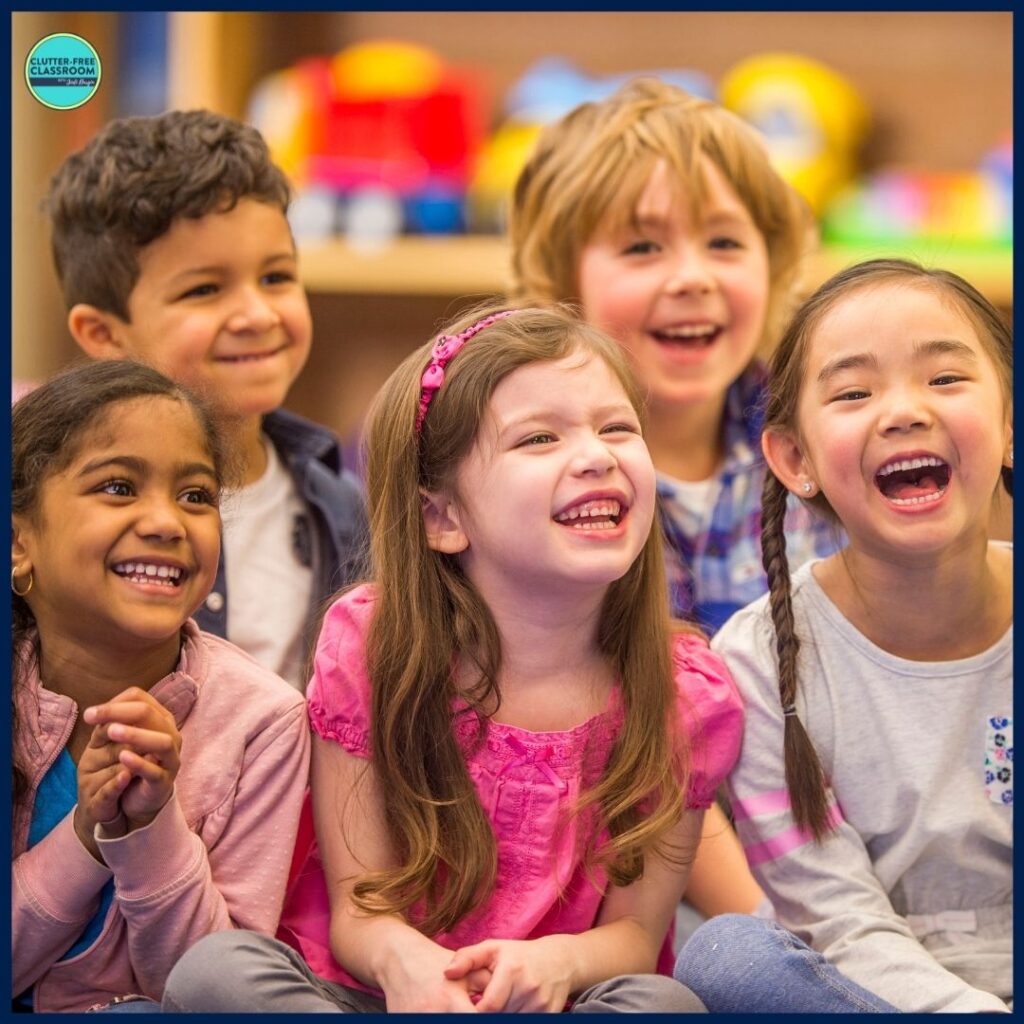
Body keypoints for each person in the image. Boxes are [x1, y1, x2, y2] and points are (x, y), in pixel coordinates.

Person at [161, 305, 744, 1013]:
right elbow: (357, 913)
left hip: (553, 1003)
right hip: (371, 995)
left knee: (664, 1005)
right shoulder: (372, 647)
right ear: (442, 517)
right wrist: (404, 961)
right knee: (213, 970)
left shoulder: (688, 694)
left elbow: (633, 933)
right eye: (538, 438)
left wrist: (555, 962)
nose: (596, 455)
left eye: (617, 428)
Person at [510, 74, 833, 928]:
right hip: (639, 880)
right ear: (558, 276)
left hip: (839, 850)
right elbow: (634, 763)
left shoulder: (819, 445)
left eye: (724, 243)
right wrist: (783, 931)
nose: (691, 277)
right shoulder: (545, 486)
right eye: (644, 248)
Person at [674, 260, 1013, 1013]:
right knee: (727, 956)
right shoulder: (760, 663)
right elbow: (839, 925)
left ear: (1010, 425)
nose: (903, 411)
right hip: (863, 994)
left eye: (946, 380)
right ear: (795, 460)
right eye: (854, 393)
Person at [11, 360, 311, 1013]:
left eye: (196, 495)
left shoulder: (266, 720)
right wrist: (86, 833)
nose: (168, 522)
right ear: (18, 542)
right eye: (118, 487)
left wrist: (149, 826)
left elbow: (220, 986)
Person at [44, 109, 367, 690]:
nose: (258, 314)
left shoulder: (344, 510)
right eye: (205, 290)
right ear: (104, 334)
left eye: (276, 277)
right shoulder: (51, 507)